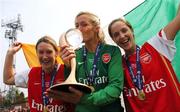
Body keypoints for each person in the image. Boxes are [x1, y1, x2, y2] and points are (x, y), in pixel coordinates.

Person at [48, 12, 124, 112]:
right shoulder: (75, 54)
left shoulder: (112, 51)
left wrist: (85, 99)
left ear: (96, 28)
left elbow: (115, 87)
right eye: (76, 26)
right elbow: (71, 87)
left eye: (84, 24)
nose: (79, 29)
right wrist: (67, 66)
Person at [108, 7, 180, 112]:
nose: (122, 36)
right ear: (114, 40)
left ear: (131, 30)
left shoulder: (157, 45)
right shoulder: (117, 65)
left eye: (124, 30)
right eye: (116, 35)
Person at [3, 36, 74, 112]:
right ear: (36, 53)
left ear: (56, 53)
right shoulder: (31, 73)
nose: (45, 57)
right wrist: (10, 54)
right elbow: (8, 79)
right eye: (41, 52)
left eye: (49, 52)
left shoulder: (67, 71)